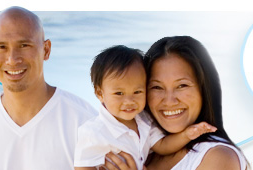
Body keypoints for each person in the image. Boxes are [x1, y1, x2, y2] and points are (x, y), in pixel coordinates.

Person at [0, 7, 97, 170]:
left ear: (46, 49)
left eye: (24, 45)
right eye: (1, 47)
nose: (12, 59)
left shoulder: (85, 124)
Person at [103, 36, 249, 170]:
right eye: (157, 87)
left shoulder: (218, 156)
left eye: (182, 86)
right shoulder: (139, 149)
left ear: (204, 89)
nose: (169, 101)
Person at [74, 45, 217, 170]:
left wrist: (186, 135)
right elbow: (82, 166)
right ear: (100, 93)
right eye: (119, 93)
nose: (129, 101)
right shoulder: (93, 132)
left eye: (137, 92)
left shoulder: (144, 120)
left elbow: (162, 145)